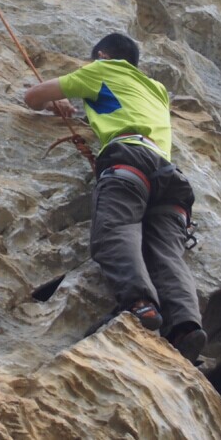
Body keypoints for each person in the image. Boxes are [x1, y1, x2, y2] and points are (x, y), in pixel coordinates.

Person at [23, 33, 207, 363]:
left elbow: (33, 96)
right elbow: (119, 105)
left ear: (102, 55)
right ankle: (185, 327)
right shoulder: (156, 89)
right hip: (171, 178)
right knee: (166, 253)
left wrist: (54, 103)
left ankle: (139, 305)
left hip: (130, 162)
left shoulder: (102, 69)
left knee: (115, 231)